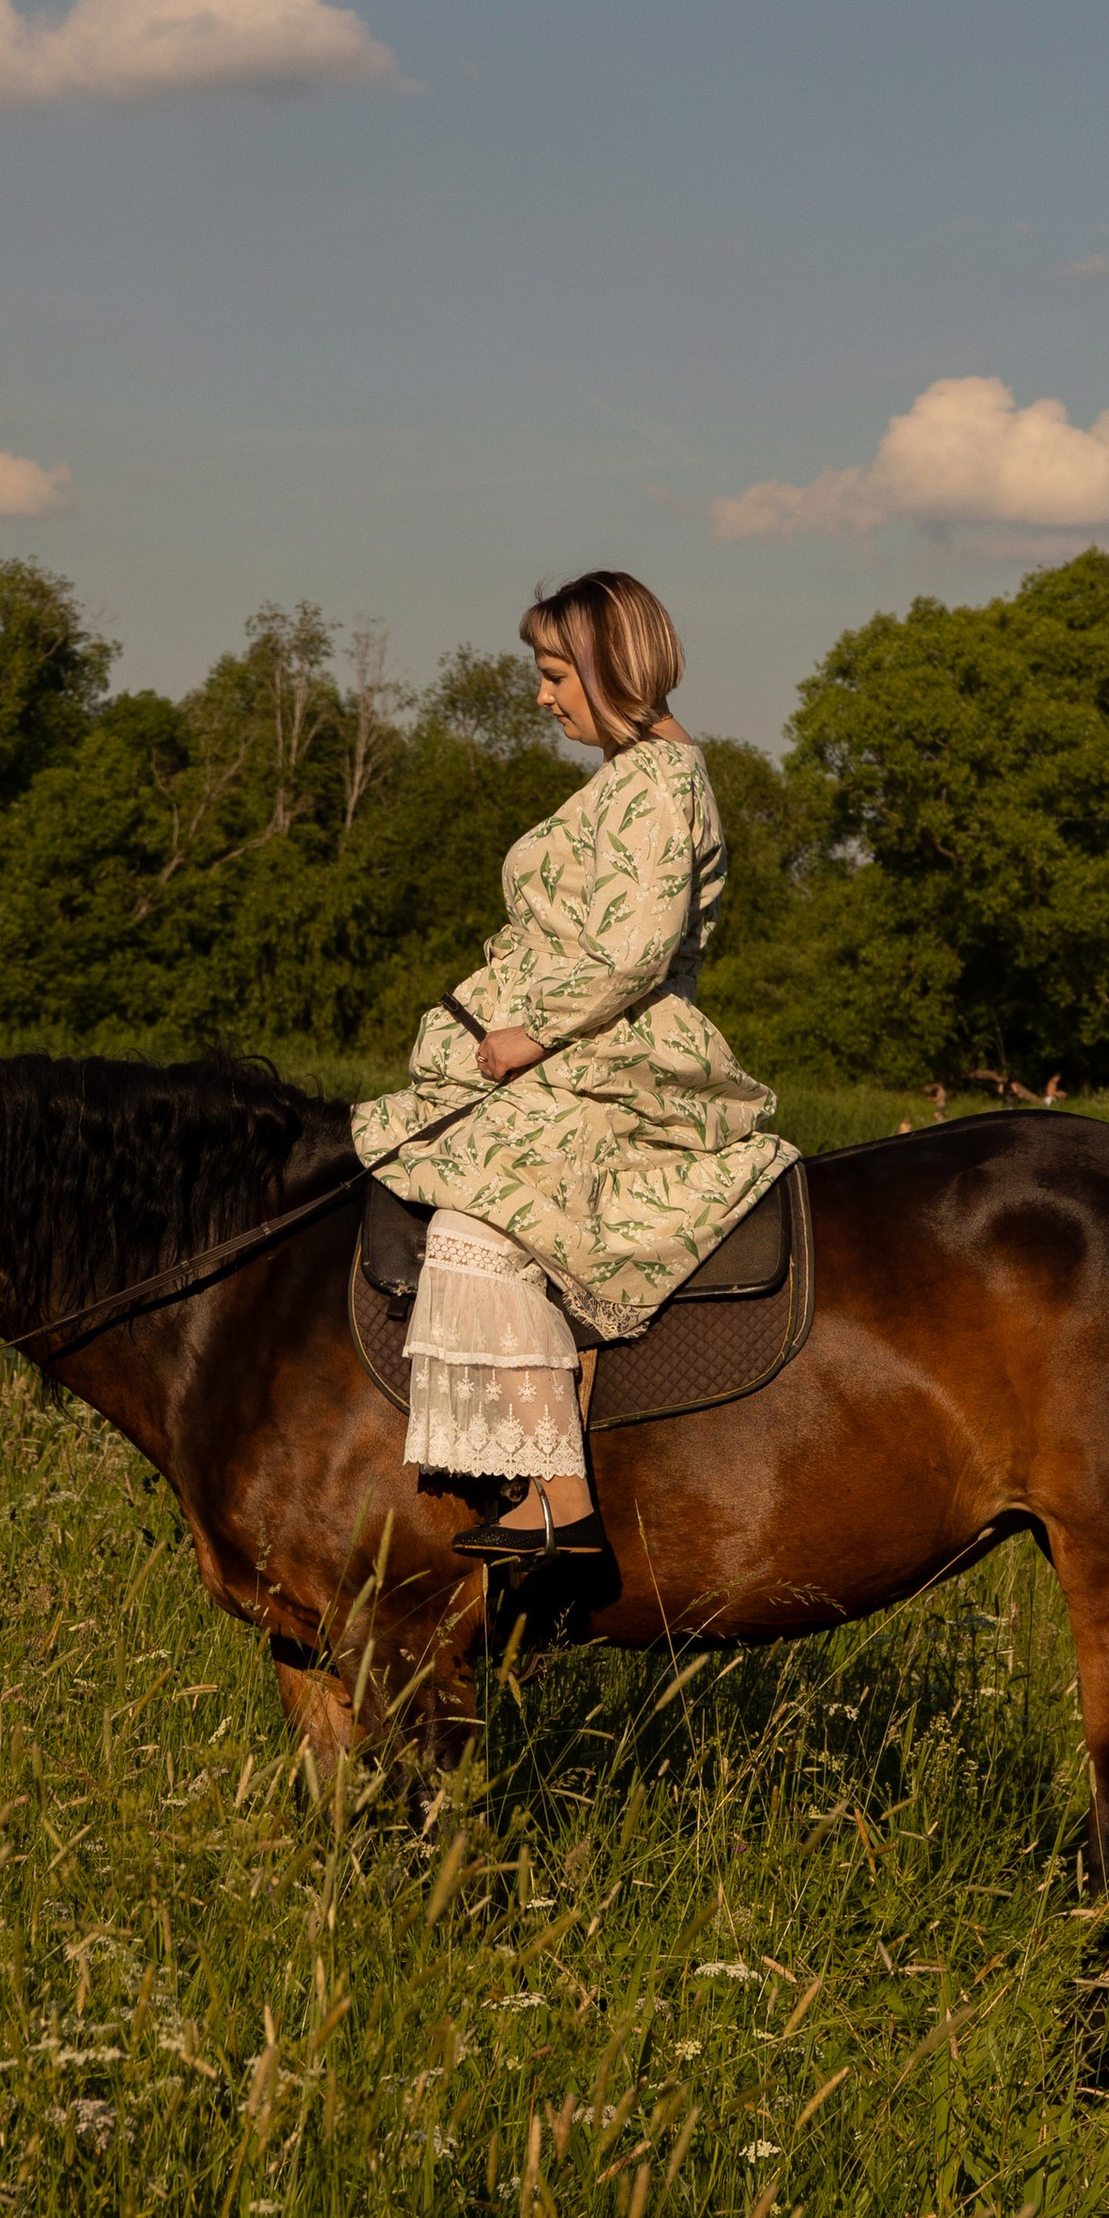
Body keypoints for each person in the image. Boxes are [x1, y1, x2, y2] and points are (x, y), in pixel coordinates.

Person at [352, 571, 796, 1552]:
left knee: (486, 1209)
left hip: (606, 1054)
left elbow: (633, 949)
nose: (542, 695)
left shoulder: (657, 783)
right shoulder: (629, 777)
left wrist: (531, 1032)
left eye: (555, 673)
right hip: (577, 1037)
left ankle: (560, 1494)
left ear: (608, 667)